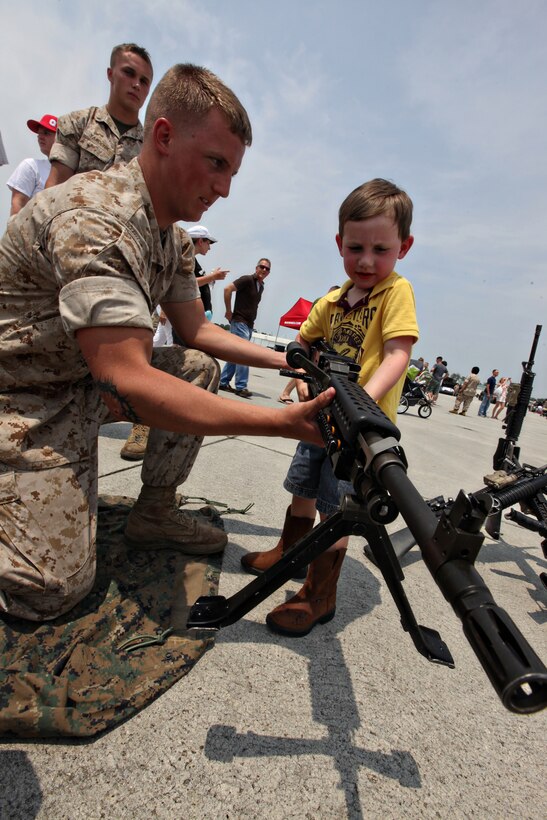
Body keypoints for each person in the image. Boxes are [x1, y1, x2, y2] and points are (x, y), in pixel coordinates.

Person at [0, 63, 333, 623]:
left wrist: (292, 359)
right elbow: (126, 378)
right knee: (50, 589)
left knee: (195, 365)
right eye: (216, 164)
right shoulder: (96, 218)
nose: (225, 188)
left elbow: (197, 331)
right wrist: (281, 423)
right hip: (24, 395)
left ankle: (153, 512)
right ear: (163, 136)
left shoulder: (170, 234)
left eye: (232, 171)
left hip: (77, 382)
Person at [240, 178, 419, 637]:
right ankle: (288, 552)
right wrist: (303, 380)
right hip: (319, 417)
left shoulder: (395, 292)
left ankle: (320, 593)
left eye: (381, 249)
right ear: (339, 243)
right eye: (355, 246)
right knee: (302, 484)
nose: (365, 259)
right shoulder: (334, 300)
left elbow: (399, 353)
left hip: (360, 428)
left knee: (335, 506)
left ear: (404, 247)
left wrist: (362, 401)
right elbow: (301, 343)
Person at [121, 224, 229, 460]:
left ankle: (156, 423)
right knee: (167, 361)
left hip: (184, 319)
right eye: (207, 242)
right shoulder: (170, 249)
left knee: (193, 362)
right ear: (198, 241)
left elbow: (182, 291)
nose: (209, 246)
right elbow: (174, 289)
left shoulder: (185, 255)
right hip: (150, 321)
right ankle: (145, 421)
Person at [45, 43, 153, 187]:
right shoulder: (77, 124)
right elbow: (54, 187)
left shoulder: (150, 149)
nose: (136, 85)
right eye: (129, 73)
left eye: (144, 81)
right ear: (110, 74)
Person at [218, 259, 271, 398]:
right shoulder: (247, 280)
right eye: (262, 267)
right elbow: (227, 289)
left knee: (236, 354)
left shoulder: (261, 286)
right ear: (256, 267)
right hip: (239, 321)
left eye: (267, 269)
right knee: (244, 353)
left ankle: (223, 382)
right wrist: (228, 311)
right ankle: (241, 386)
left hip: (249, 325)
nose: (264, 270)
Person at [6, 114, 58, 215]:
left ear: (59, 138)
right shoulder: (31, 166)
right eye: (39, 134)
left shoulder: (74, 170)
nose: (40, 137)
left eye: (46, 133)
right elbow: (18, 204)